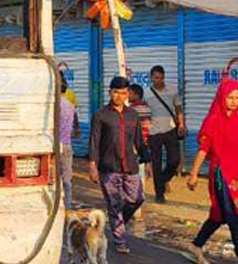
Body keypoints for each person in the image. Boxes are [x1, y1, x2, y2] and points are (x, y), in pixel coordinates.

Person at [89, 76, 149, 254]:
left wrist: (149, 162)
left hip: (130, 166)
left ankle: (117, 220)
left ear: (127, 94)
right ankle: (120, 241)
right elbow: (94, 142)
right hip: (108, 167)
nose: (119, 96)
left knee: (137, 199)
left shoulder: (133, 115)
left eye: (123, 93)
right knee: (115, 204)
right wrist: (92, 165)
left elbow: (139, 141)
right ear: (110, 92)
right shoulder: (100, 115)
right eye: (115, 92)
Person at [186, 79, 238, 264]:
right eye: (230, 97)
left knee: (220, 215)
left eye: (237, 98)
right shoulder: (214, 120)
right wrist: (193, 173)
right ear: (221, 98)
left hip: (236, 174)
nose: (234, 101)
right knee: (233, 215)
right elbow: (203, 149)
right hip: (221, 173)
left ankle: (196, 244)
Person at [144, 65, 186, 204]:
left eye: (161, 78)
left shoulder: (172, 91)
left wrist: (181, 124)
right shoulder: (146, 94)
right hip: (153, 133)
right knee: (156, 164)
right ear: (151, 78)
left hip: (170, 130)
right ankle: (159, 194)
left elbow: (178, 109)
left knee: (174, 160)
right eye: (156, 78)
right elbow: (142, 112)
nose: (159, 80)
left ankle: (163, 180)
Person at [59, 72, 80, 210]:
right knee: (67, 181)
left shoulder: (53, 106)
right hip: (67, 145)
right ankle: (67, 209)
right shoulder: (69, 104)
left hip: (54, 147)